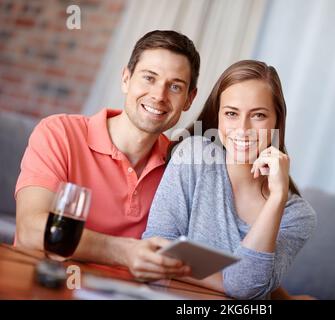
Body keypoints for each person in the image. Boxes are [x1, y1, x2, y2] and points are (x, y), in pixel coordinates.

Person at [15, 30, 199, 279]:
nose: (159, 95)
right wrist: (125, 252)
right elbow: (31, 231)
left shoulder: (180, 164)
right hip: (42, 287)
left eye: (175, 86)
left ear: (189, 99)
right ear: (126, 78)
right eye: (149, 78)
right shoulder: (59, 133)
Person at [142, 60, 317, 299]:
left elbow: (246, 284)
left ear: (277, 120)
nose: (243, 129)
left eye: (258, 115)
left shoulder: (298, 215)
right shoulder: (194, 155)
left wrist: (276, 198)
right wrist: (228, 281)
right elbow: (156, 251)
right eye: (231, 114)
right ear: (218, 117)